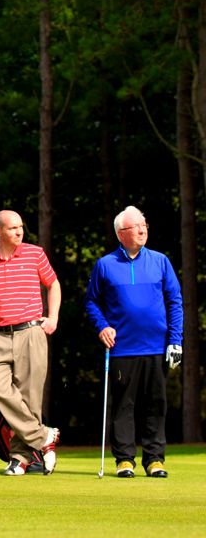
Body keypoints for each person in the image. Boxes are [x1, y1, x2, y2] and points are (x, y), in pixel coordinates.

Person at [84, 205, 183, 479]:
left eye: (144, 225)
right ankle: (125, 460)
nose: (142, 230)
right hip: (122, 347)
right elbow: (92, 302)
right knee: (123, 405)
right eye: (135, 227)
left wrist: (176, 340)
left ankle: (154, 460)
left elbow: (175, 301)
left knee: (156, 403)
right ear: (121, 233)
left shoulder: (161, 261)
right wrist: (102, 326)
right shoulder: (105, 265)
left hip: (156, 346)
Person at [0, 210, 62, 476]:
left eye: (21, 227)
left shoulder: (35, 253)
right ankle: (44, 436)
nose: (19, 232)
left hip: (31, 332)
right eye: (13, 228)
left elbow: (53, 284)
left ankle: (20, 458)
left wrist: (53, 317)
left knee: (30, 398)